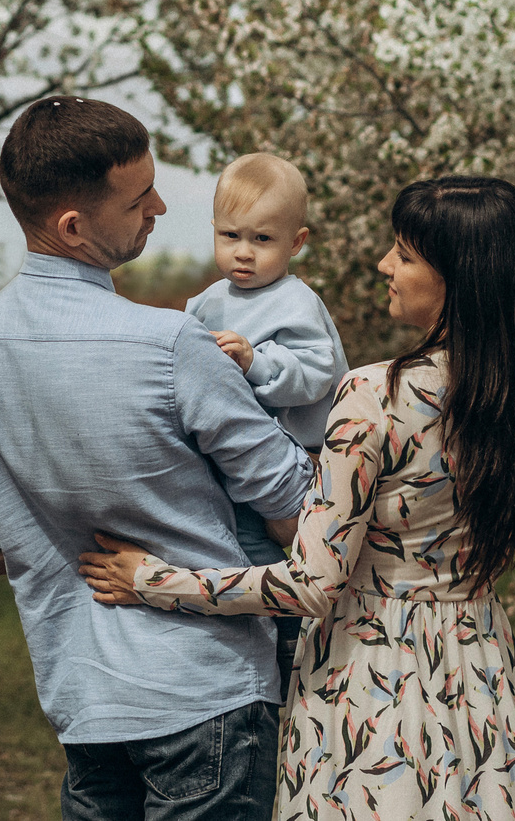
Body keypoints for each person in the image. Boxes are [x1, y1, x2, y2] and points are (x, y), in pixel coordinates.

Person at [78, 176, 515, 821]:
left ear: (460, 276)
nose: (383, 265)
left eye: (404, 253)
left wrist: (153, 580)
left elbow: (312, 584)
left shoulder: (376, 395)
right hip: (481, 671)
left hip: (373, 680)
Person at [0, 97, 314, 821]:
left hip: (84, 700)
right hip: (210, 696)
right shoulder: (171, 346)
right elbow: (296, 511)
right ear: (73, 226)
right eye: (140, 197)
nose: (162, 206)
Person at [184, 152, 347, 694]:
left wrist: (257, 361)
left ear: (296, 243)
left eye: (262, 239)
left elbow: (317, 375)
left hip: (297, 460)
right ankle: (245, 645)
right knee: (236, 549)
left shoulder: (296, 302)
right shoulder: (205, 304)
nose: (243, 253)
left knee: (284, 560)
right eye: (230, 235)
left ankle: (290, 645)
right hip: (233, 464)